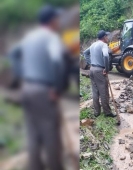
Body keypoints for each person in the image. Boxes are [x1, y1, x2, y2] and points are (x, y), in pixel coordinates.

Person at [8, 5, 65, 170]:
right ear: (52, 20)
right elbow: (58, 63)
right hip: (43, 90)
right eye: (57, 19)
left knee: (33, 134)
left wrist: (20, 75)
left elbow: (13, 54)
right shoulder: (51, 37)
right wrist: (57, 88)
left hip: (27, 87)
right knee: (50, 134)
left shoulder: (28, 37)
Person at [83, 30, 116, 118]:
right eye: (107, 36)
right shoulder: (103, 45)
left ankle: (97, 112)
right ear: (104, 37)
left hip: (92, 69)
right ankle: (107, 112)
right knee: (104, 92)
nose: (107, 38)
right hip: (99, 70)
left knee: (95, 91)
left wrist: (91, 63)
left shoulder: (93, 44)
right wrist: (106, 68)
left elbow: (85, 53)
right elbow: (105, 55)